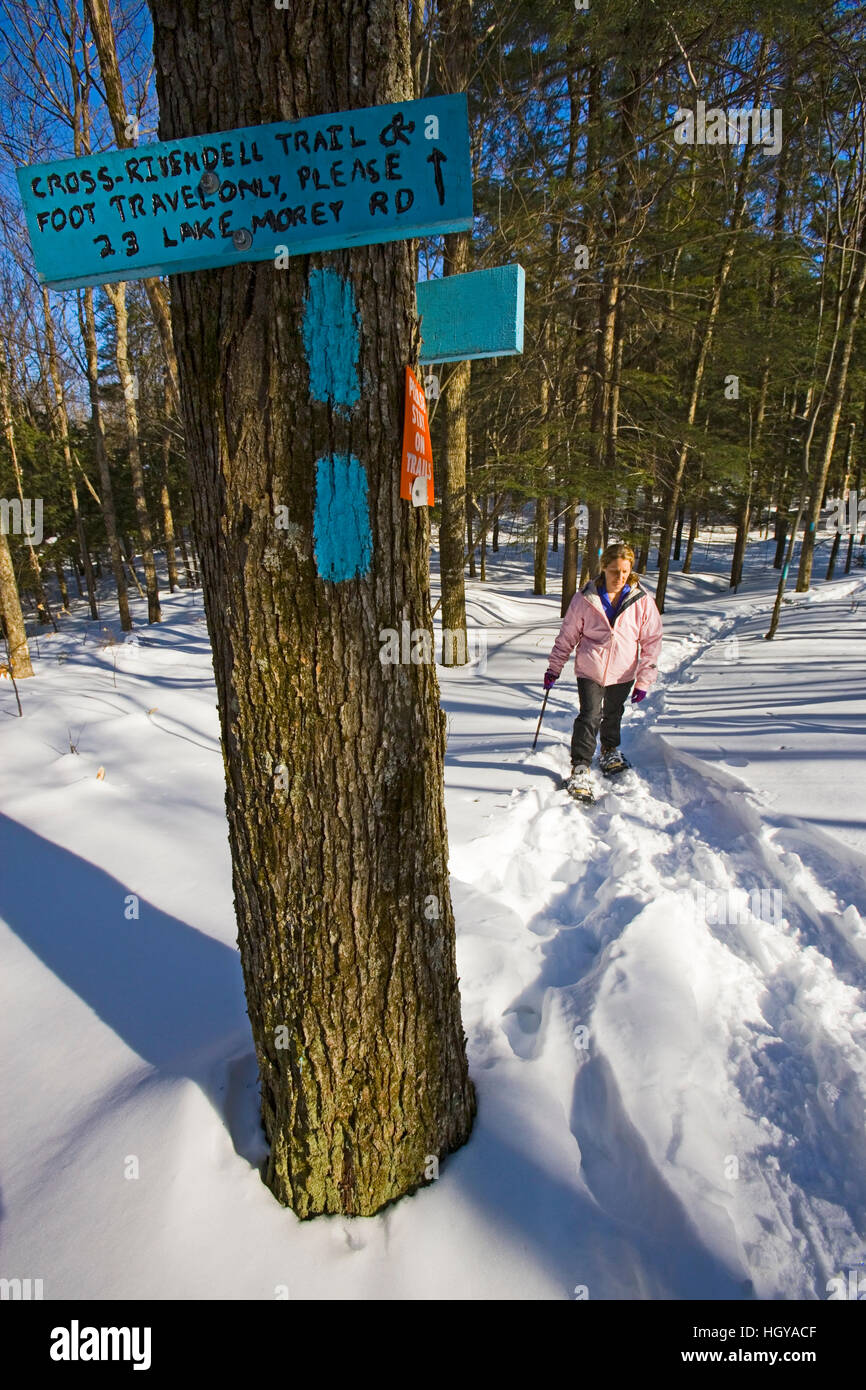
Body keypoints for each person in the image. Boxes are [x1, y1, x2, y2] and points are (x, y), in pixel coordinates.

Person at [544, 542, 663, 798]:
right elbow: (567, 635)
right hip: (591, 668)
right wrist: (554, 668)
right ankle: (580, 766)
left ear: (630, 570)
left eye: (624, 571)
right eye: (613, 571)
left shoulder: (641, 601)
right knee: (589, 715)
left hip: (623, 670)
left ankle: (609, 750)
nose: (619, 577)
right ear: (604, 569)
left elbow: (651, 641)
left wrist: (644, 680)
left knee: (613, 712)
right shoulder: (585, 598)